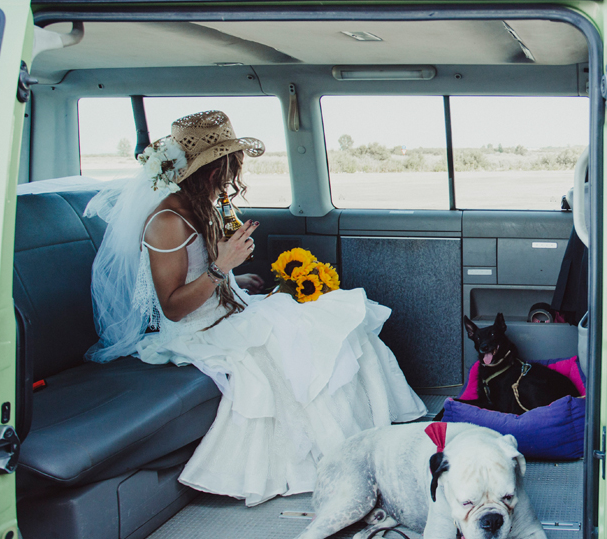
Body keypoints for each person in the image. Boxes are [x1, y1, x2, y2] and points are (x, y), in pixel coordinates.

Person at [85, 110, 426, 506]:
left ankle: (374, 438)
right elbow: (174, 308)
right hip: (199, 333)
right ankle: (343, 457)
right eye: (230, 166)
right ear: (211, 170)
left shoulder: (202, 205)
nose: (234, 176)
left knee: (342, 323)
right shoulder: (166, 220)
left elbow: (204, 275)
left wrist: (235, 281)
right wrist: (221, 268)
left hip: (228, 311)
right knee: (311, 342)